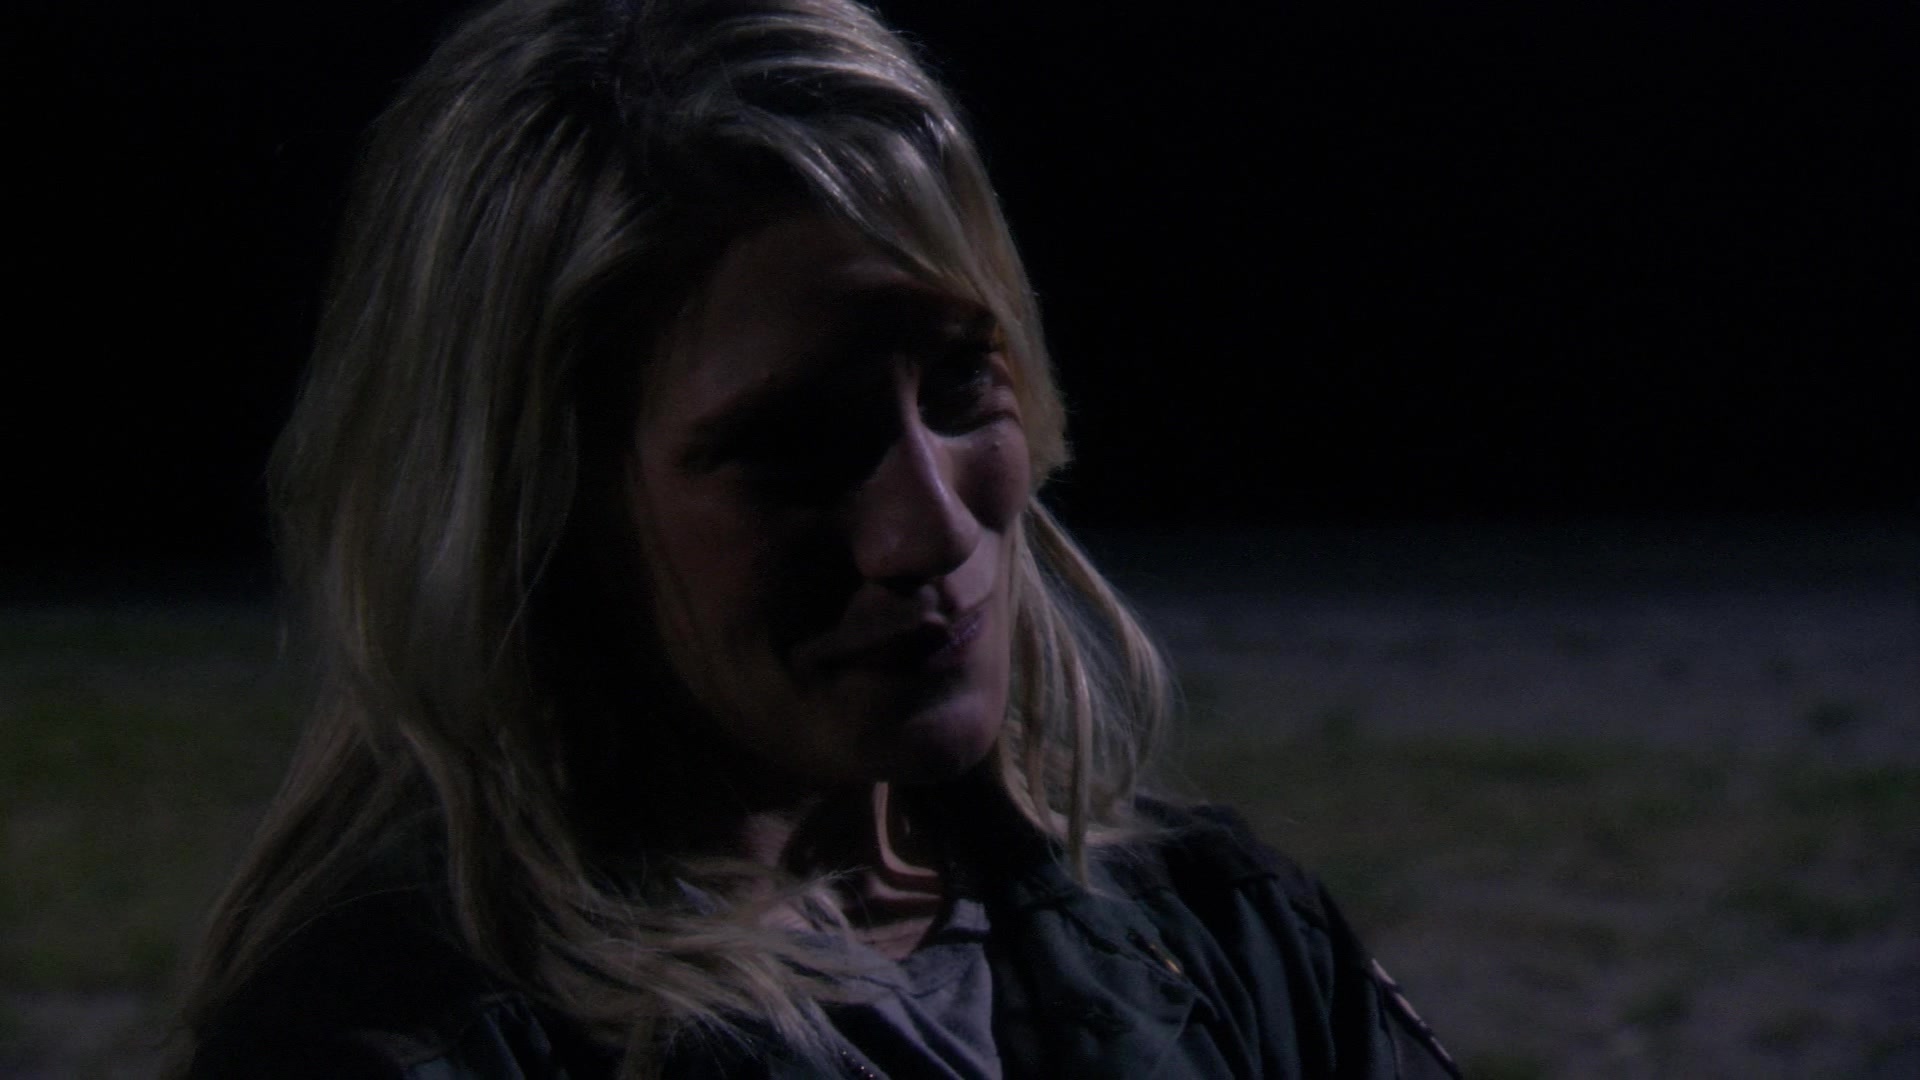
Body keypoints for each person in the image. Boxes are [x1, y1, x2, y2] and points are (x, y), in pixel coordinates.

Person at [173, 0, 1460, 1076]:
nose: (929, 527)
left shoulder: (1220, 936)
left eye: (960, 382)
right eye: (792, 447)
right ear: (528, 509)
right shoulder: (406, 1049)